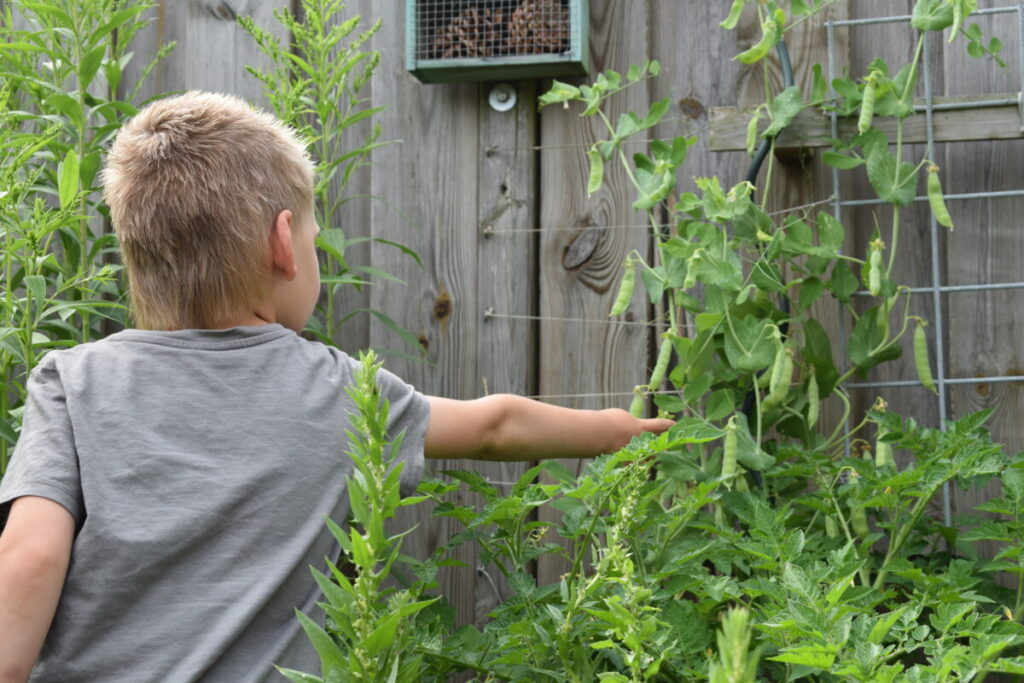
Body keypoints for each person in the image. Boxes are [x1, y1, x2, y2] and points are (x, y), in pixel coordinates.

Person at [0, 91, 672, 682]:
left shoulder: (73, 382)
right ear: (284, 245)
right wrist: (614, 430)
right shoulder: (339, 391)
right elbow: (494, 425)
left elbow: (29, 552)